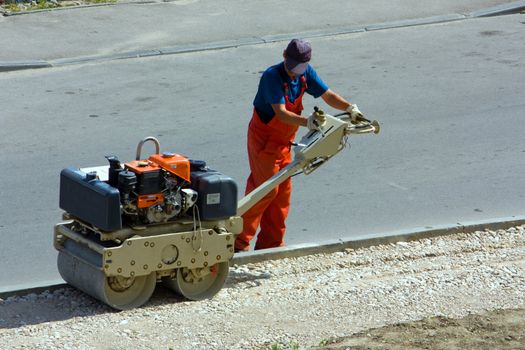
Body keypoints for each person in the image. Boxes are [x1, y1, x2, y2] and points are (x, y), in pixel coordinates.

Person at [234, 38, 364, 252]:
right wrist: (309, 122)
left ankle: (271, 245)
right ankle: (237, 244)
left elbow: (328, 95)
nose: (295, 73)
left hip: (283, 142)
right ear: (284, 55)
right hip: (264, 141)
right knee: (264, 190)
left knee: (282, 193)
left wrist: (350, 108)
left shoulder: (305, 73)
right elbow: (281, 114)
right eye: (292, 67)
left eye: (300, 68)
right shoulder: (272, 76)